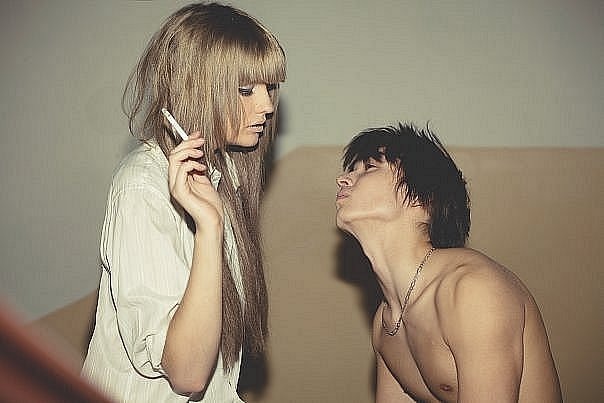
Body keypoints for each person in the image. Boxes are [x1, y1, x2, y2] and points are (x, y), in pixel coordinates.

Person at [82, 3, 286, 402]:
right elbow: (188, 374)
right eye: (247, 89)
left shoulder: (222, 175)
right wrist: (210, 228)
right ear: (199, 87)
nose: (267, 105)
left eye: (270, 88)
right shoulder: (142, 188)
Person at [335, 124, 562, 402]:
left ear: (422, 198)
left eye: (369, 167)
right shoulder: (386, 321)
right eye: (351, 170)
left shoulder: (472, 290)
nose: (343, 179)